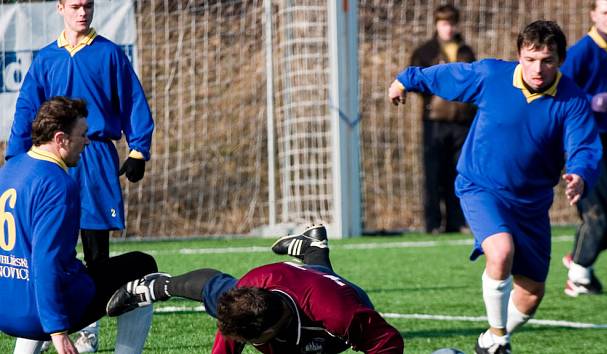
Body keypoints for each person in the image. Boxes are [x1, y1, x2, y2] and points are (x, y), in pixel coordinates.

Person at [388, 21, 602, 354]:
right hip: (481, 186)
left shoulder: (573, 99)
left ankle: (488, 343)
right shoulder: (492, 76)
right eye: (530, 59)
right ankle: (499, 337)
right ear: (519, 55)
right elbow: (447, 76)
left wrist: (579, 173)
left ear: (559, 60)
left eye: (547, 60)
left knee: (531, 293)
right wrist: (406, 79)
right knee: (500, 251)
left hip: (532, 203)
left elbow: (584, 146)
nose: (538, 68)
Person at [5, 0, 154, 351]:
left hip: (95, 154)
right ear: (60, 8)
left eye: (88, 6)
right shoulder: (46, 58)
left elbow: (133, 100)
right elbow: (27, 107)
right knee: (44, 249)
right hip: (50, 158)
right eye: (75, 6)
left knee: (96, 250)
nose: (82, 12)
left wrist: (138, 149)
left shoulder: (110, 53)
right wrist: (15, 158)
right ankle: (47, 328)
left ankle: (90, 328)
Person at [0, 97, 157, 354]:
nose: (87, 141)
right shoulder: (57, 185)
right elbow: (46, 263)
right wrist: (58, 332)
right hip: (38, 315)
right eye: (83, 135)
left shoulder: (9, 169)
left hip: (5, 308)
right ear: (61, 139)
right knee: (142, 265)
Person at [105, 225, 405, 353]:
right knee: (215, 289)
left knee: (321, 275)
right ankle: (156, 286)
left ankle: (314, 249)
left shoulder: (343, 316)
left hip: (332, 298)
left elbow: (389, 342)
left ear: (269, 331)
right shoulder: (245, 295)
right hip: (277, 281)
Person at [560, 0, 607, 297]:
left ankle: (579, 258)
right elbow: (558, 94)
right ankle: (578, 276)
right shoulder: (580, 53)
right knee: (597, 215)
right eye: (605, 12)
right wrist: (588, 102)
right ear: (593, 15)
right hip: (586, 142)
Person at [408, 4, 476, 234]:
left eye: (451, 23)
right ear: (437, 25)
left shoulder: (466, 51)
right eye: (444, 23)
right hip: (435, 120)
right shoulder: (425, 52)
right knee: (434, 173)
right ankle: (433, 223)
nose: (448, 28)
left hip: (462, 122)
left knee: (459, 172)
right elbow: (415, 80)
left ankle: (457, 222)